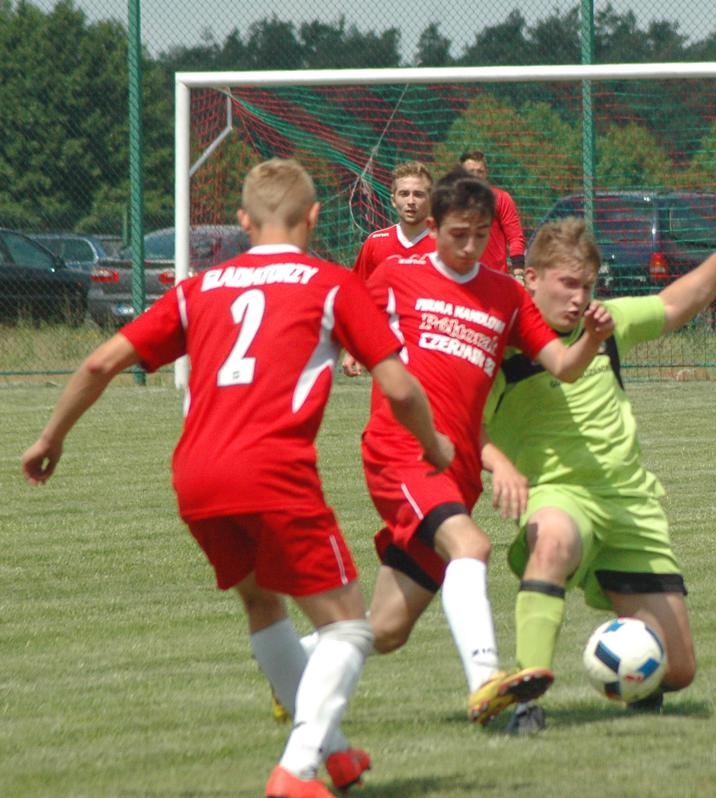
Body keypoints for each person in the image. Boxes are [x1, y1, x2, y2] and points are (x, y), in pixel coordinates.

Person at [20, 158, 454, 798]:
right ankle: (296, 770)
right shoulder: (331, 284)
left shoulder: (199, 288)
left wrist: (50, 437)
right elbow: (400, 386)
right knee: (348, 627)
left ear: (245, 222)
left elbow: (98, 364)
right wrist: (434, 445)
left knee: (263, 604)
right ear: (314, 217)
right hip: (273, 470)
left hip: (197, 476)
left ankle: (335, 753)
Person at [484, 205, 716, 734]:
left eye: (587, 286)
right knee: (552, 542)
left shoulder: (605, 324)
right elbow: (457, 421)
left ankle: (630, 664)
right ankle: (527, 698)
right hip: (559, 494)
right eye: (568, 284)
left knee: (678, 671)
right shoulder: (504, 347)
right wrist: (497, 462)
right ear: (532, 278)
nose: (579, 297)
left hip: (632, 504)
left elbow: (676, 303)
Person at [356, 167, 614, 727]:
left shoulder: (505, 294)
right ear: (432, 227)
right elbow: (339, 321)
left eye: (479, 234)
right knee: (471, 546)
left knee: (388, 629)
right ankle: (485, 683)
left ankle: (293, 669)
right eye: (458, 234)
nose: (470, 247)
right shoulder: (396, 275)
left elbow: (563, 366)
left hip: (458, 471)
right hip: (401, 450)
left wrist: (593, 338)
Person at [343, 161, 436, 376]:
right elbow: (359, 299)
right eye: (404, 194)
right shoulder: (376, 243)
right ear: (393, 200)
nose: (411, 201)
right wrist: (354, 347)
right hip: (388, 359)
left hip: (434, 357)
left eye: (418, 194)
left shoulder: (445, 246)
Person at [458, 149, 526, 276]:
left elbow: (515, 236)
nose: (476, 176)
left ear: (486, 173)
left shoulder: (501, 198)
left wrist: (518, 272)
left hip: (495, 276)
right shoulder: (450, 201)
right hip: (459, 277)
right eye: (470, 172)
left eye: (480, 171)